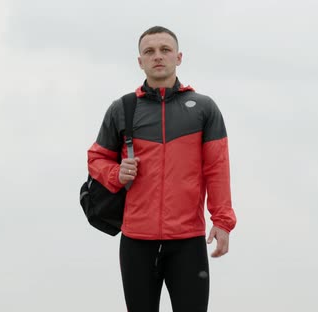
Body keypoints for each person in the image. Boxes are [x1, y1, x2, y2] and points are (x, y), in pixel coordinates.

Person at [87, 26, 237, 312]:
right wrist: (116, 174)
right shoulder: (122, 109)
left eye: (165, 50)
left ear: (179, 57)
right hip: (136, 242)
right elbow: (96, 159)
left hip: (188, 241)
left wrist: (222, 221)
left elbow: (217, 168)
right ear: (140, 61)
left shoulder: (204, 108)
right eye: (150, 51)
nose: (158, 56)